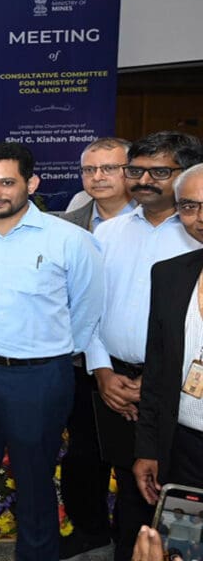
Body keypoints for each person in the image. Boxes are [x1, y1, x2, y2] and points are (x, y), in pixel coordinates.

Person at [0, 142, 102, 561]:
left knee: (34, 483)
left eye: (7, 182)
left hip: (38, 378)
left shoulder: (71, 240)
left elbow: (86, 313)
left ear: (31, 183)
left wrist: (47, 355)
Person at [86, 131, 203, 561]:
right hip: (113, 379)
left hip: (176, 391)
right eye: (135, 170)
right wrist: (101, 370)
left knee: (184, 504)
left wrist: (153, 383)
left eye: (159, 172)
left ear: (183, 175)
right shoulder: (108, 233)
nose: (144, 180)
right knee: (135, 487)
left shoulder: (192, 233)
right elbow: (88, 309)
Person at [57, 137, 135, 560]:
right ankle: (90, 533)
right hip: (78, 361)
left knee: (134, 460)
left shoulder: (159, 224)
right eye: (90, 170)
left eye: (109, 168)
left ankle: (132, 537)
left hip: (136, 362)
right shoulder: (66, 225)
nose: (98, 177)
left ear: (130, 172)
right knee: (83, 454)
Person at [135, 164, 203, 507]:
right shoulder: (170, 275)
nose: (201, 216)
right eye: (190, 206)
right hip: (183, 448)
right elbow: (157, 372)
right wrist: (149, 448)